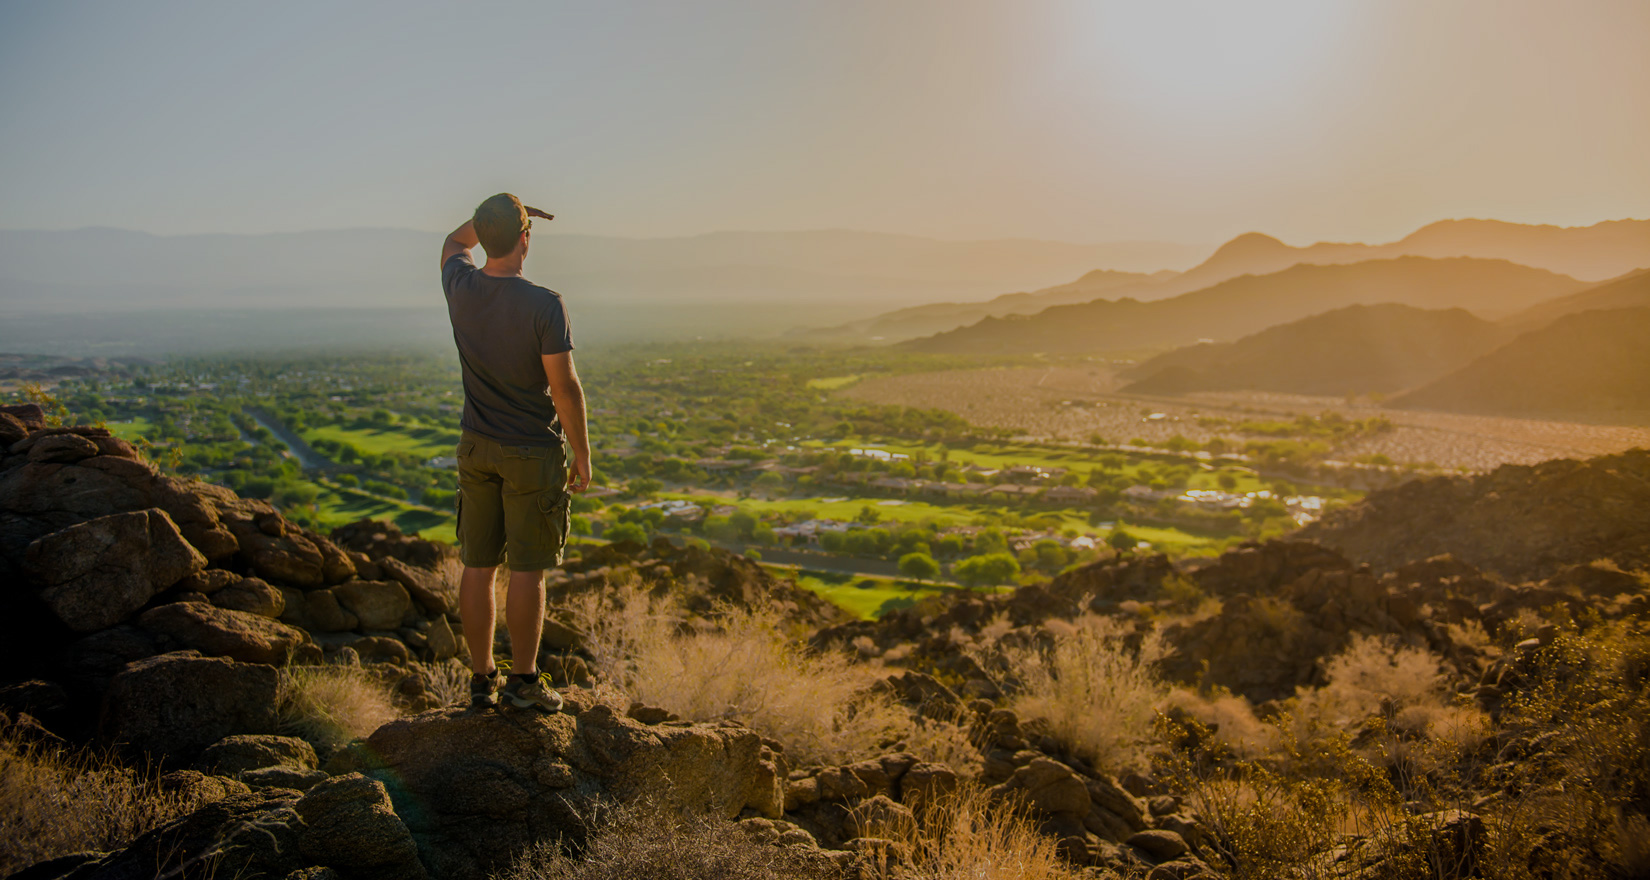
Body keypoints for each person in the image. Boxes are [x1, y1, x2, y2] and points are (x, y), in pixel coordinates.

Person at [440, 193, 591, 713]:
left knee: (478, 565)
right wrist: (583, 452)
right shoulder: (544, 303)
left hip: (475, 446)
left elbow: (455, 241)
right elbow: (565, 387)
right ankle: (524, 684)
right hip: (531, 450)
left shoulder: (460, 285)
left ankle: (482, 681)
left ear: (486, 237)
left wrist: (496, 220)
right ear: (526, 239)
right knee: (528, 568)